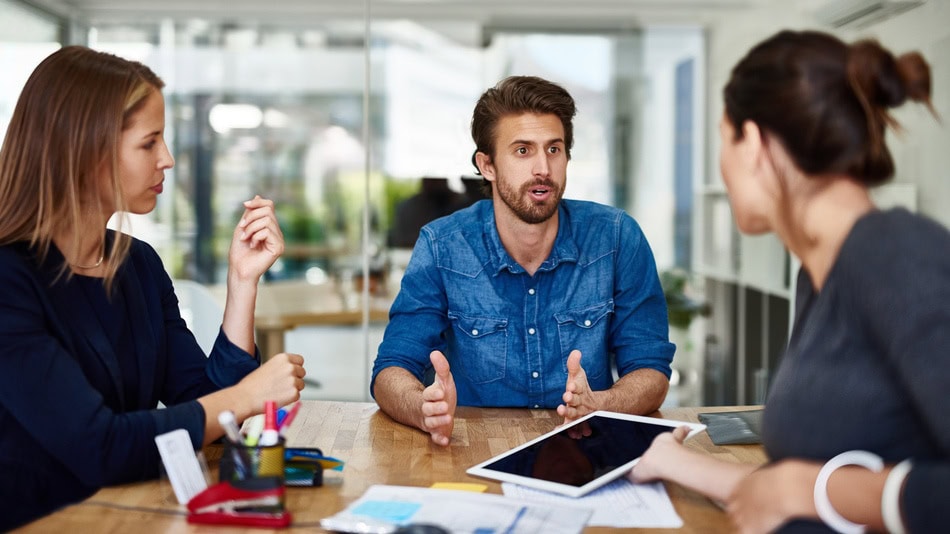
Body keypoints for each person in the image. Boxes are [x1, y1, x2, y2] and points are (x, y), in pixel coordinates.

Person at [630, 30, 948, 533]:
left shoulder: (896, 254)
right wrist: (678, 464)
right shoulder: (820, 274)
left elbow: (811, 489)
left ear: (752, 143)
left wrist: (809, 489)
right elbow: (809, 483)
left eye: (722, 137)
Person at [0, 46, 306, 529]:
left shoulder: (136, 264)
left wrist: (242, 281)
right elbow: (100, 446)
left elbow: (206, 408)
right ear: (84, 150)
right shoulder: (9, 279)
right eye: (149, 143)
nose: (168, 159)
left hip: (124, 517)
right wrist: (247, 395)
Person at [372, 75, 674, 446]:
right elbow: (391, 369)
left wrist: (601, 404)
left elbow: (651, 370)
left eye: (554, 149)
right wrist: (423, 408)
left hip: (587, 451)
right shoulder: (442, 245)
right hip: (472, 452)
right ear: (487, 165)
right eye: (522, 150)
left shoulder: (616, 237)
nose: (542, 169)